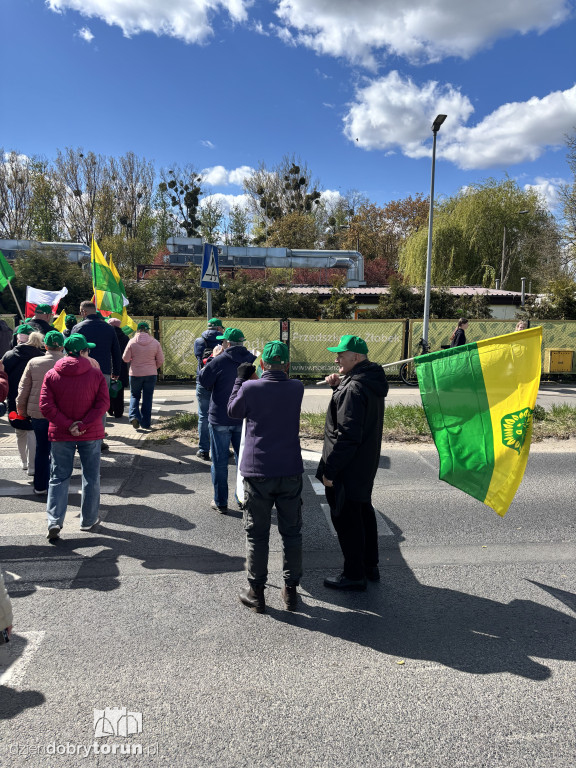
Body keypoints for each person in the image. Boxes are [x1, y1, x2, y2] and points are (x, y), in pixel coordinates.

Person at [228, 341, 305, 614]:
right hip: (290, 469)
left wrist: (239, 380)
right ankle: (291, 590)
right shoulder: (297, 387)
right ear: (287, 365)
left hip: (257, 470)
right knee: (291, 533)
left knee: (257, 534)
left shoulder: (250, 387)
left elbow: (233, 412)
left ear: (261, 366)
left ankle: (256, 592)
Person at [316, 334, 389, 591]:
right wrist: (339, 386)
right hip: (363, 464)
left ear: (356, 357)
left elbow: (347, 435)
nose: (336, 359)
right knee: (363, 513)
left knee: (348, 521)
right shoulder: (367, 380)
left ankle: (354, 574)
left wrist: (330, 470)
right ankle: (370, 566)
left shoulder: (354, 388)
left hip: (348, 466)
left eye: (341, 355)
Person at [39, 334, 109, 540]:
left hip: (61, 432)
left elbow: (45, 406)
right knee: (91, 476)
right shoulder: (95, 374)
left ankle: (54, 521)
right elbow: (103, 404)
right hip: (90, 432)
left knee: (58, 477)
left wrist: (68, 424)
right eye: (87, 350)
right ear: (81, 352)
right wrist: (83, 424)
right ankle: (88, 520)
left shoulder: (52, 374)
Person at [198, 328, 256, 513]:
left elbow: (204, 381)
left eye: (222, 342)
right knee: (244, 462)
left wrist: (213, 358)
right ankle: (242, 498)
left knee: (220, 462)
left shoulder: (220, 360)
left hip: (220, 417)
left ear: (227, 344)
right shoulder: (252, 359)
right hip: (244, 417)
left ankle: (220, 502)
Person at [16, 330, 65, 495]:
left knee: (42, 449)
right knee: (59, 450)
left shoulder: (34, 362)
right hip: (61, 413)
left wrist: (21, 409)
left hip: (38, 412)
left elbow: (23, 388)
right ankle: (57, 485)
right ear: (62, 346)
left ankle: (40, 486)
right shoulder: (67, 362)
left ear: (45, 346)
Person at [71, 301, 121, 449]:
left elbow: (71, 350)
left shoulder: (78, 328)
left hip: (81, 372)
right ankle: (99, 439)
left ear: (83, 312)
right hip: (103, 371)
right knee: (101, 405)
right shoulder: (108, 328)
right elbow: (116, 352)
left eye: (80, 311)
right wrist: (116, 372)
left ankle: (82, 437)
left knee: (81, 404)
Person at [2, 326, 45, 472]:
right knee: (32, 432)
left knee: (19, 431)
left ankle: (24, 462)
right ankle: (32, 466)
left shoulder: (8, 356)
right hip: (35, 400)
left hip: (14, 399)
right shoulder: (40, 356)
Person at [122, 321, 164, 430]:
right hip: (151, 373)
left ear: (137, 330)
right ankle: (146, 423)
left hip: (135, 373)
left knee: (134, 395)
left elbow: (125, 358)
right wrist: (154, 367)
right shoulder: (155, 342)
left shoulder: (132, 342)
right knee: (148, 397)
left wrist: (132, 359)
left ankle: (134, 416)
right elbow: (161, 360)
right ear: (148, 330)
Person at [194, 318, 225, 461]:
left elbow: (198, 359)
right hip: (220, 383)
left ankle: (203, 450)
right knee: (220, 416)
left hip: (203, 382)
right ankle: (221, 448)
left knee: (203, 416)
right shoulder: (224, 342)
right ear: (218, 328)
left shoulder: (199, 341)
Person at [107, 318, 130, 418]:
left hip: (109, 364)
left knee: (108, 388)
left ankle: (110, 409)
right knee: (119, 389)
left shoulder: (108, 336)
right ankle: (119, 411)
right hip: (122, 366)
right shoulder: (125, 337)